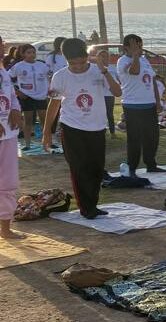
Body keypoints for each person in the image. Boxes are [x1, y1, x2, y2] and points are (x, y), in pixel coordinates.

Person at [43, 38, 121, 219]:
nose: (78, 66)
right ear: (65, 59)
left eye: (81, 62)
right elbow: (53, 105)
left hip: (97, 127)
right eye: (73, 63)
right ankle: (86, 208)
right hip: (72, 127)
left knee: (96, 168)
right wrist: (47, 132)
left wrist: (104, 70)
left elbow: (117, 92)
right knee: (79, 168)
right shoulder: (60, 76)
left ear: (87, 57)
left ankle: (92, 203)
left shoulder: (98, 72)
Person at [117, 35, 165, 176]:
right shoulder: (122, 61)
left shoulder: (145, 61)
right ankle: (132, 167)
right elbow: (134, 71)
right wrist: (135, 56)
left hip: (149, 104)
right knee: (134, 138)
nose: (139, 48)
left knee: (152, 136)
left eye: (140, 45)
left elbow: (152, 81)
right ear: (126, 47)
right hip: (132, 105)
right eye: (136, 46)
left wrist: (157, 101)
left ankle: (151, 164)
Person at [0, 50, 23, 239]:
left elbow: (12, 96)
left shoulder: (4, 71)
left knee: (8, 182)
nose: (3, 48)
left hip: (8, 134)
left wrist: (15, 109)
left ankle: (5, 229)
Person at [10, 44, 49, 150]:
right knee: (28, 121)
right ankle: (27, 145)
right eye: (28, 52)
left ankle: (47, 142)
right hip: (26, 97)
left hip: (41, 96)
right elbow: (7, 79)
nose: (32, 54)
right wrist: (17, 91)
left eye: (33, 52)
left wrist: (49, 90)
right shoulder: (18, 66)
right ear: (23, 54)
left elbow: (49, 77)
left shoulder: (42, 65)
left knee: (44, 121)